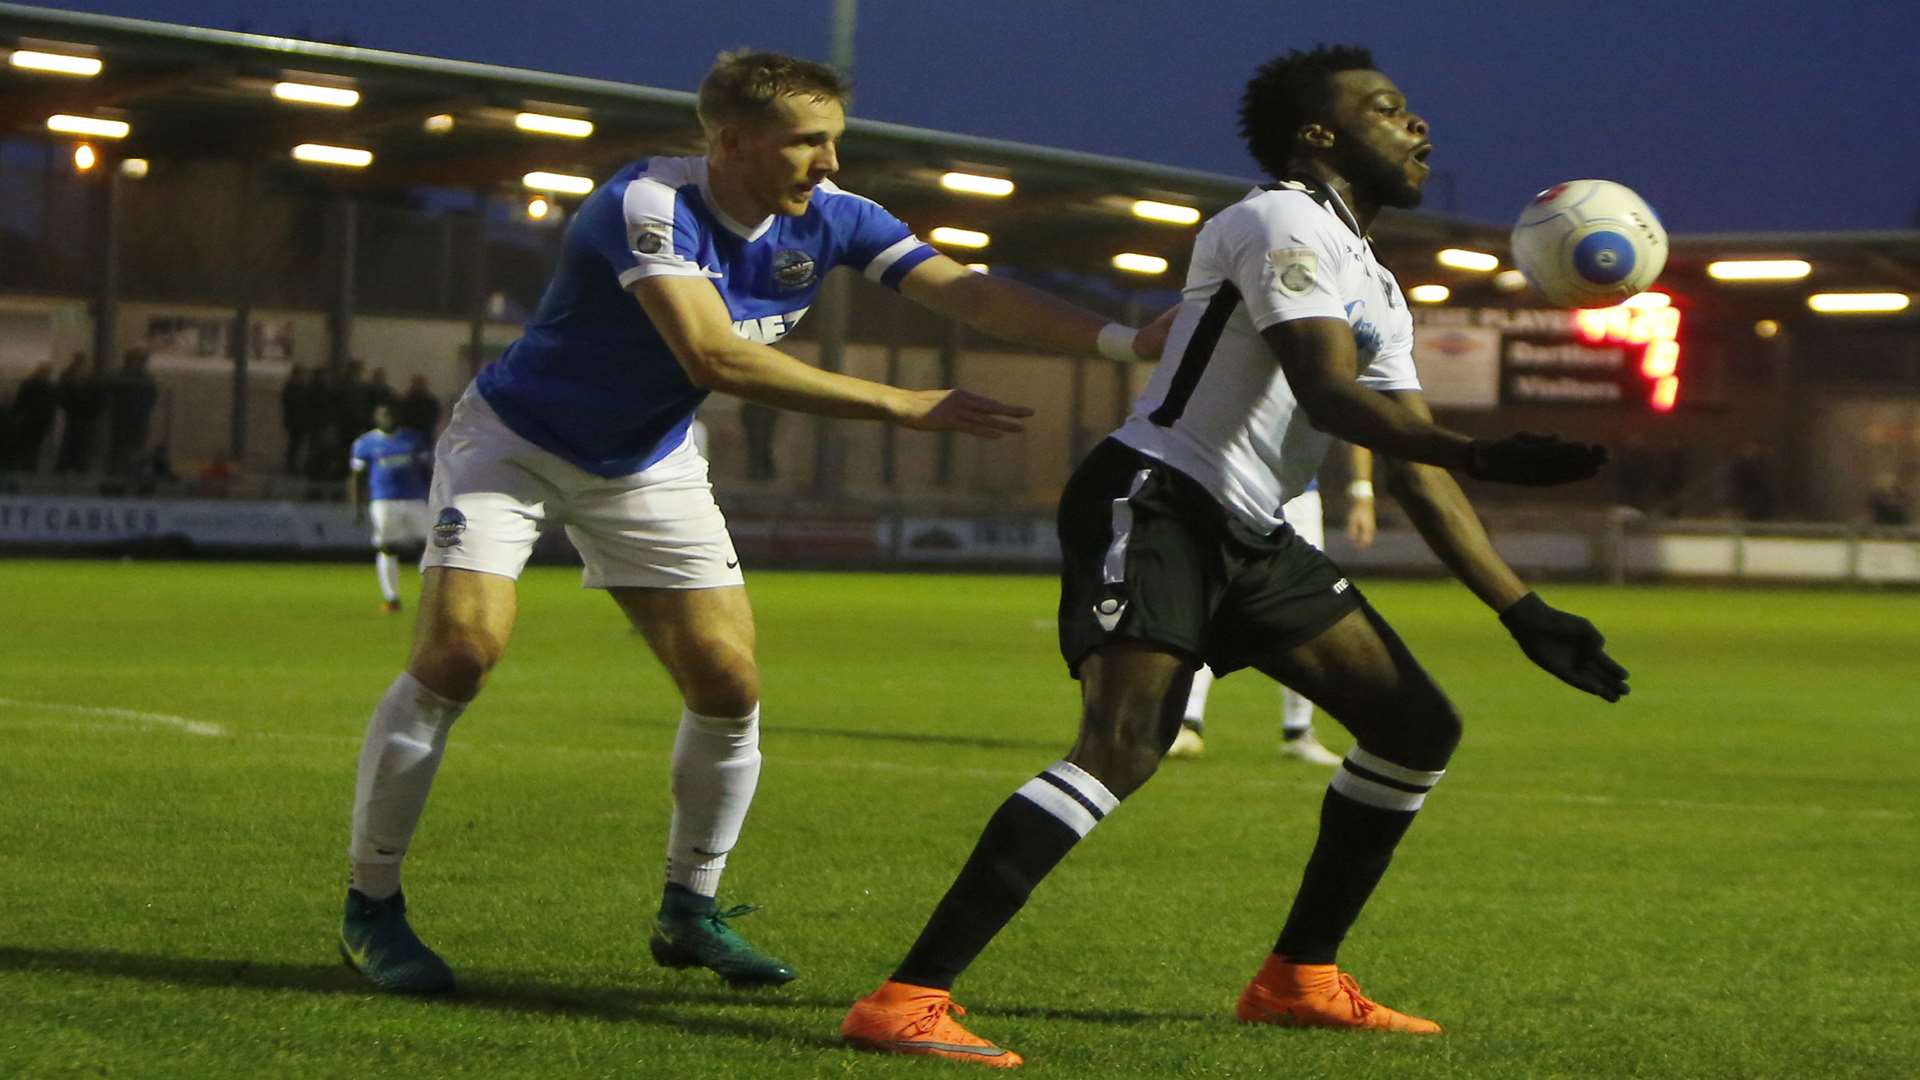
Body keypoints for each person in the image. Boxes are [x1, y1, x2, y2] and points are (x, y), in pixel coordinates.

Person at [841, 45, 1629, 1067]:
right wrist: (1482, 450)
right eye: (1388, 111)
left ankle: (1299, 977)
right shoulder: (1277, 221)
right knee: (1123, 745)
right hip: (1160, 497)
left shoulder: (1377, 284)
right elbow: (1327, 393)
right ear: (1321, 135)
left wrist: (1524, 611)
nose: (1418, 127)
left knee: (1414, 725)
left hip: (1253, 533)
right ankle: (906, 998)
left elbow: (1412, 470)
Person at [337, 49, 1167, 996]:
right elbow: (712, 357)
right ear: (732, 141)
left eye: (834, 143)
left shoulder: (837, 221)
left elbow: (967, 290)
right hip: (515, 445)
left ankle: (690, 909)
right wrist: (901, 403)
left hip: (647, 465)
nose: (831, 166)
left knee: (729, 684)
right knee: (457, 659)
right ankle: (372, 906)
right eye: (807, 143)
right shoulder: (645, 202)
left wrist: (1123, 337)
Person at [1168, 444, 1375, 765]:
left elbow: (1358, 424)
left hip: (1298, 496)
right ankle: (1185, 723)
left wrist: (1362, 494)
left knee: (1304, 612)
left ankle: (1298, 731)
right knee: (1213, 599)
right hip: (1233, 486)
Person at [348, 403, 434, 613]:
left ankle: (432, 599)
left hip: (415, 500)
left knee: (429, 547)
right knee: (388, 548)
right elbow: (357, 477)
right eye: (384, 415)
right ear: (376, 418)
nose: (388, 418)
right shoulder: (365, 443)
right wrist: (357, 508)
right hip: (383, 501)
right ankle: (391, 598)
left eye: (392, 414)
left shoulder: (413, 440)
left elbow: (428, 472)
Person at [106, 347, 159, 477]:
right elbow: (111, 394)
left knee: (137, 448)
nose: (141, 363)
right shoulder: (120, 376)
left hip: (138, 419)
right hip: (122, 418)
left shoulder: (147, 379)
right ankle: (115, 474)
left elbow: (152, 398)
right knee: (118, 448)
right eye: (139, 360)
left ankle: (132, 473)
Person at [54, 354, 104, 475]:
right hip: (81, 415)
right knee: (79, 442)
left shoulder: (69, 378)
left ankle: (70, 466)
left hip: (76, 415)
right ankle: (77, 466)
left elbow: (62, 396)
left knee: (73, 442)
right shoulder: (88, 380)